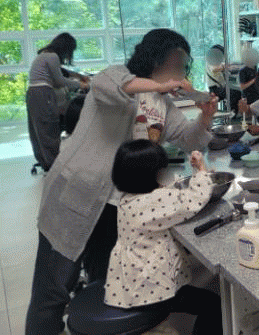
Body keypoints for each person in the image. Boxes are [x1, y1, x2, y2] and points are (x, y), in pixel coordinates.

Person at [26, 28, 218, 335]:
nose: (182, 73)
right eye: (179, 64)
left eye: (185, 66)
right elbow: (111, 87)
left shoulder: (161, 104)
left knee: (105, 284)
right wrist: (161, 85)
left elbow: (188, 139)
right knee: (53, 291)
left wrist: (205, 117)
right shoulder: (116, 75)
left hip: (118, 208)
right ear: (157, 58)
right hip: (76, 196)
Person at [105, 141, 223, 335]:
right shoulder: (152, 201)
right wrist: (202, 170)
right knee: (213, 305)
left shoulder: (127, 198)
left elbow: (164, 198)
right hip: (151, 290)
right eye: (161, 171)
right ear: (148, 176)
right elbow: (193, 200)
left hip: (131, 282)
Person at [26, 33, 89, 172]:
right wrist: (81, 85)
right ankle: (55, 167)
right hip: (43, 94)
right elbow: (59, 81)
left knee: (38, 131)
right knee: (49, 129)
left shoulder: (44, 55)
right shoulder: (52, 56)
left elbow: (61, 72)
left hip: (32, 93)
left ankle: (46, 163)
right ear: (66, 48)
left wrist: (78, 76)